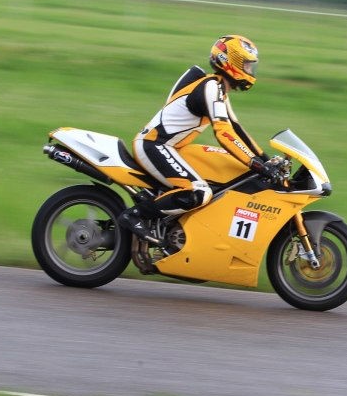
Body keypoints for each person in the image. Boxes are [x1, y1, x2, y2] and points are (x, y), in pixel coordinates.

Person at [117, 34, 283, 244]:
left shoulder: (218, 90)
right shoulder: (211, 87)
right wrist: (255, 164)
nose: (251, 71)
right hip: (154, 145)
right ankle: (135, 215)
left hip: (168, 146)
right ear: (231, 62)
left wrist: (265, 160)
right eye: (248, 65)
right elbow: (224, 133)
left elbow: (236, 129)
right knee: (198, 192)